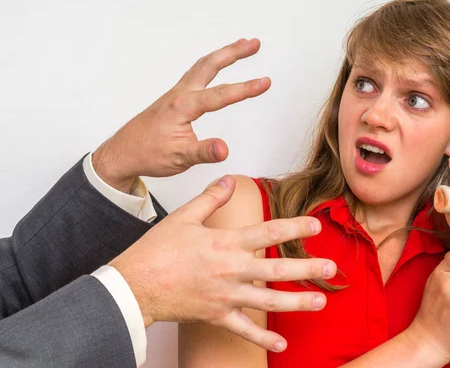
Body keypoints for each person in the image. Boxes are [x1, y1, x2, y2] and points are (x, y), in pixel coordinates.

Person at [178, 0, 450, 367]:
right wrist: (427, 342)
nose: (375, 115)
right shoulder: (247, 215)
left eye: (415, 99)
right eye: (365, 83)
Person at [0, 38, 338, 367]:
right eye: (364, 84)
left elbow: (10, 289)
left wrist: (113, 164)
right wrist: (138, 290)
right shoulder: (250, 207)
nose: (375, 116)